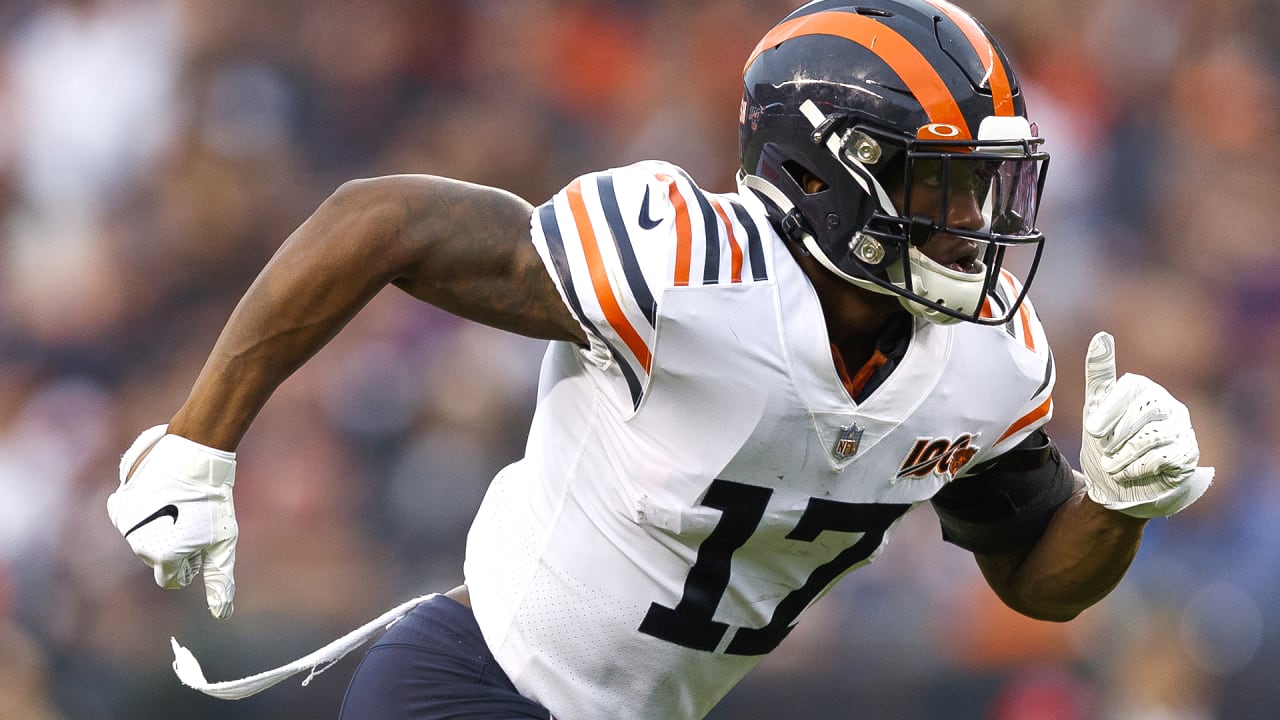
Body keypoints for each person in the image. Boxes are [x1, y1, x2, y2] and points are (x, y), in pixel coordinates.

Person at [106, 1, 1213, 718]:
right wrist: (201, 440)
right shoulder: (687, 267)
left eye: (983, 185)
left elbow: (1034, 576)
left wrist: (1117, 504)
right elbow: (379, 219)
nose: (974, 222)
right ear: (824, 177)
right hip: (471, 686)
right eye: (942, 186)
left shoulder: (984, 359)